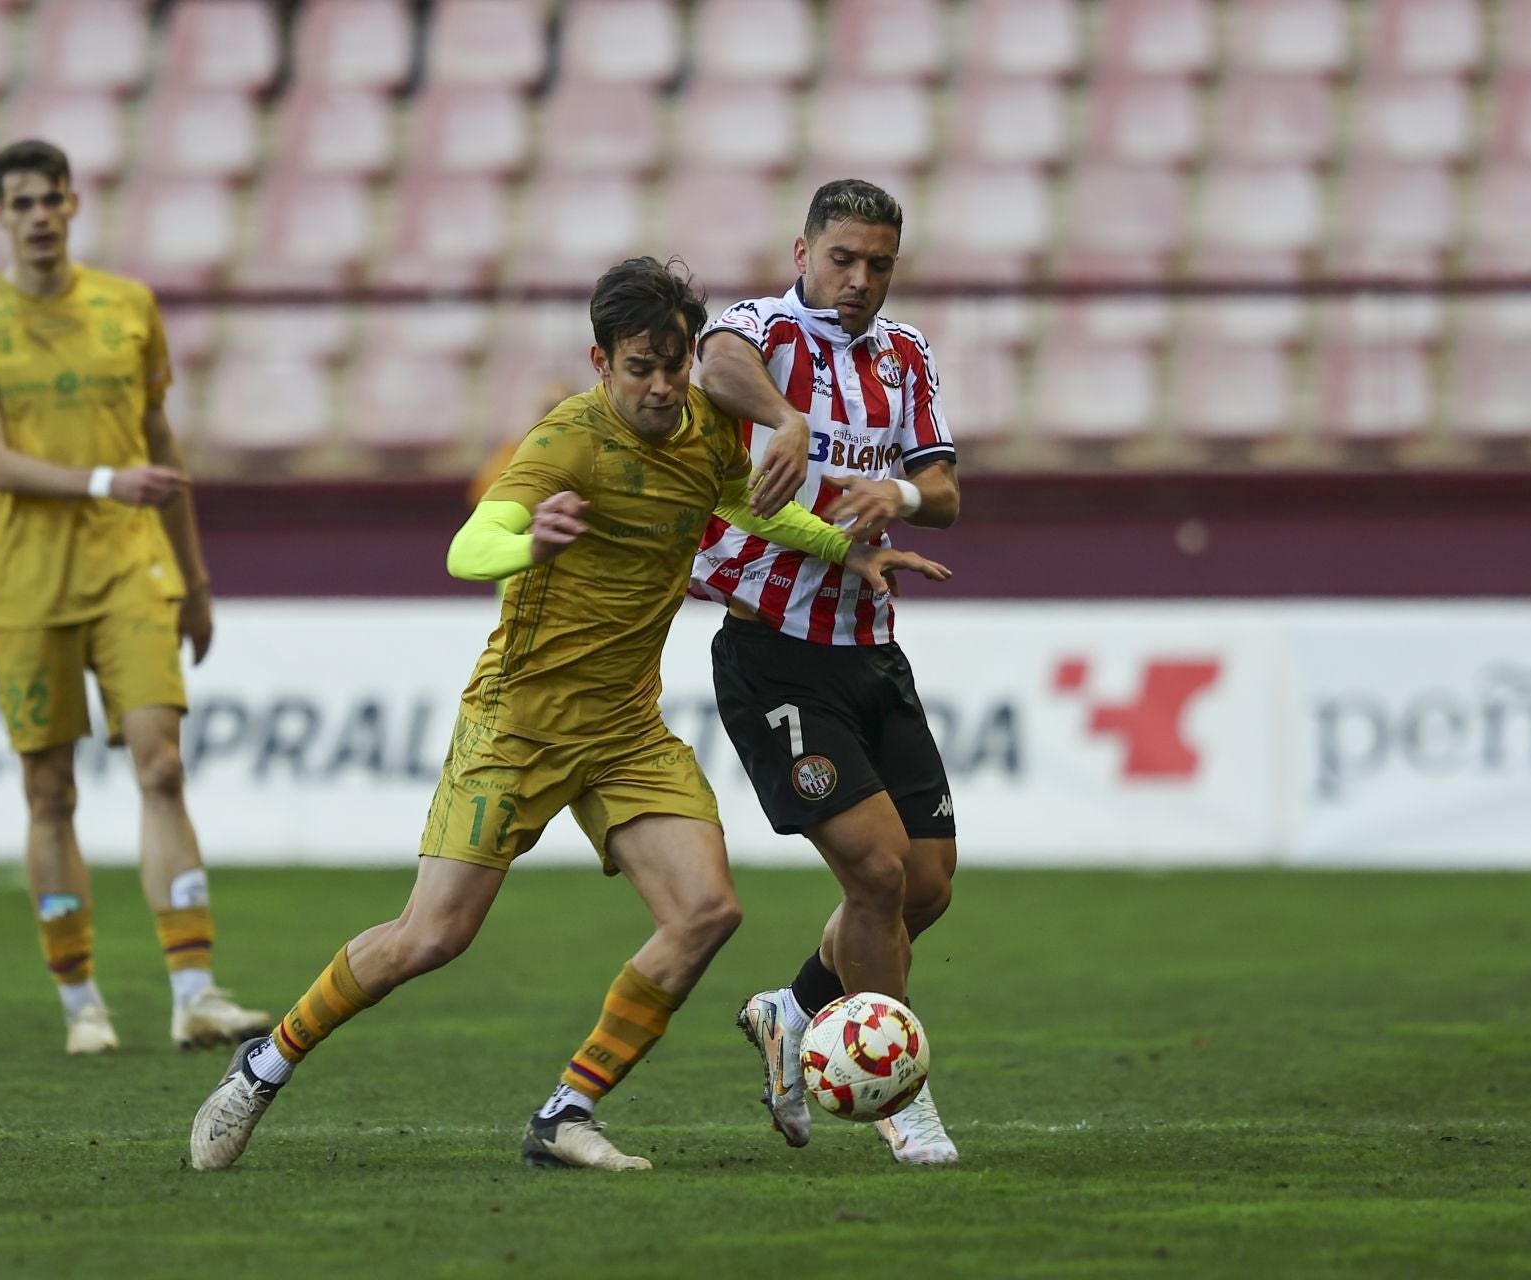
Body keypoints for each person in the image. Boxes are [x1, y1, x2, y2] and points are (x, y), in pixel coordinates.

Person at [188, 256, 949, 1173]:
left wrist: (842, 548)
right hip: (519, 724)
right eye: (641, 367)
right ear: (601, 362)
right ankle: (263, 1067)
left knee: (707, 911)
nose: (664, 386)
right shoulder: (566, 443)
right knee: (431, 937)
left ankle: (567, 1111)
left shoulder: (706, 430)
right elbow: (466, 548)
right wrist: (524, 539)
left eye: (675, 364)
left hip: (625, 728)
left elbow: (746, 506)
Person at [0, 139, 272, 1055]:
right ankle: (82, 1001)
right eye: (23, 202)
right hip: (29, 583)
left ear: (74, 205)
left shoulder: (129, 307)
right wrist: (100, 483)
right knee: (51, 792)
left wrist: (194, 578)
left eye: (53, 199)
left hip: (132, 569)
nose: (40, 215)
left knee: (161, 767)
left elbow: (161, 442)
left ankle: (194, 992)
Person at [690, 179, 964, 1165]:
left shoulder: (907, 354)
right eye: (842, 258)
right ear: (801, 249)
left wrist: (892, 489)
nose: (858, 280)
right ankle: (898, 1088)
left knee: (926, 882)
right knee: (878, 869)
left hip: (869, 648)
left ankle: (793, 1005)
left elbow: (943, 490)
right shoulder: (761, 327)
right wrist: (785, 419)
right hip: (772, 651)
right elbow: (715, 364)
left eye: (878, 264)